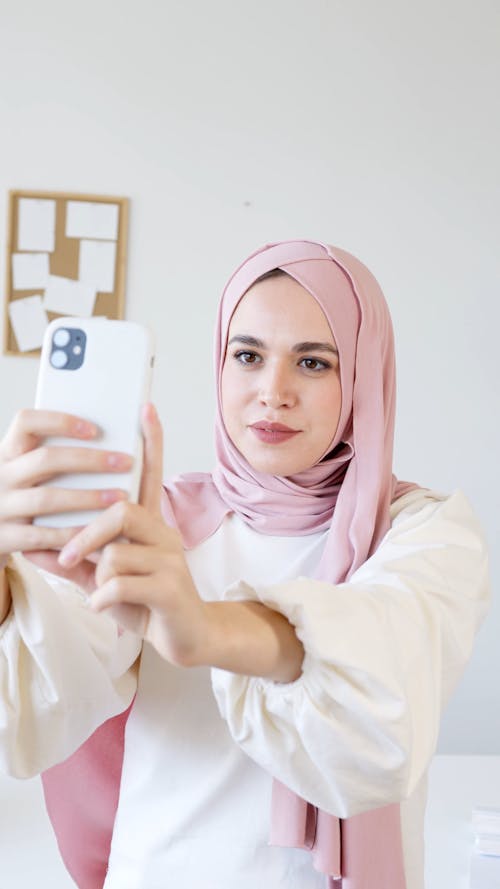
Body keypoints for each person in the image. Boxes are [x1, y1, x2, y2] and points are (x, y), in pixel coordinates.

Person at [0, 240, 490, 889]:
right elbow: (48, 682)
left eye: (313, 362)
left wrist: (203, 627)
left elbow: (387, 686)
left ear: (363, 375)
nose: (273, 392)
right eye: (248, 355)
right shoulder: (159, 517)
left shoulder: (422, 530)